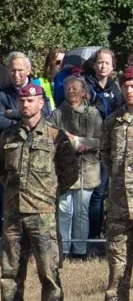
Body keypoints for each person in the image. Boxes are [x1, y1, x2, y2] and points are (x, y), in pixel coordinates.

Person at [0, 82, 75, 301]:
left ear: (41, 103)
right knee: (10, 271)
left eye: (31, 100)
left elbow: (69, 172)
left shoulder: (55, 136)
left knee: (48, 269)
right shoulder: (8, 136)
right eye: (22, 101)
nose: (26, 104)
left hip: (42, 214)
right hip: (13, 213)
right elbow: (1, 171)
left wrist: (48, 193)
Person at [58, 76, 104, 260]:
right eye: (68, 88)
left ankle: (79, 250)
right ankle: (64, 249)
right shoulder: (57, 113)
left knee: (81, 211)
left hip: (88, 170)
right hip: (64, 169)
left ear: (84, 91)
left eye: (75, 88)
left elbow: (99, 141)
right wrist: (70, 142)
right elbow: (54, 137)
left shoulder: (93, 114)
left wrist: (75, 141)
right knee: (64, 210)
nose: (71, 91)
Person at [104, 66, 133, 301]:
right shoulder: (113, 121)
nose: (129, 91)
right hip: (119, 206)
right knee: (117, 266)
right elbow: (105, 154)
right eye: (126, 86)